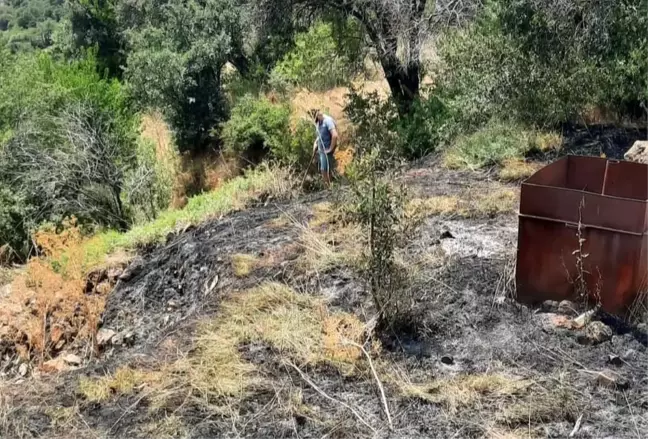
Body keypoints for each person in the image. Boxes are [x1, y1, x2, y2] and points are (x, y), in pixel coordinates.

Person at [313, 110, 338, 187]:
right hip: (321, 150)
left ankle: (328, 189)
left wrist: (330, 149)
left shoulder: (328, 121)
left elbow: (335, 135)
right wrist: (316, 143)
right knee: (326, 169)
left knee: (324, 170)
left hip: (326, 149)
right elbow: (320, 135)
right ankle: (330, 188)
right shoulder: (318, 122)